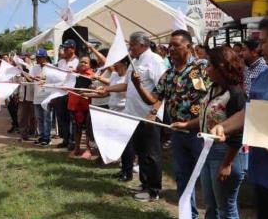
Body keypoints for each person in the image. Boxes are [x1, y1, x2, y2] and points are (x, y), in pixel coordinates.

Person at [130, 30, 209, 217]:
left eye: (176, 45)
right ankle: (188, 214)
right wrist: (138, 86)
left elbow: (205, 97)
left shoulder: (198, 70)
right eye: (170, 45)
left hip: (198, 132)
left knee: (205, 179)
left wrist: (193, 122)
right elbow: (153, 99)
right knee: (182, 177)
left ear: (188, 47)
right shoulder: (169, 74)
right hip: (177, 133)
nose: (171, 49)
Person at [172, 46, 248, 219]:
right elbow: (206, 118)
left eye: (209, 66)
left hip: (227, 153)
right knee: (210, 206)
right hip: (207, 151)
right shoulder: (213, 88)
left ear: (221, 66)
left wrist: (227, 164)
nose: (206, 70)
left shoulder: (236, 94)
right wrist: (185, 125)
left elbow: (239, 132)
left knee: (225, 208)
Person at [211, 17, 268, 219]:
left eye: (263, 42)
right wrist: (224, 126)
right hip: (263, 174)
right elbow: (250, 112)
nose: (261, 49)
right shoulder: (264, 77)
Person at [100, 31, 167, 201]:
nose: (130, 49)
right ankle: (145, 184)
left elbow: (163, 90)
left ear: (143, 45)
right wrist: (107, 89)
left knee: (152, 154)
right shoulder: (134, 62)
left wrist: (154, 112)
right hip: (133, 115)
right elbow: (125, 86)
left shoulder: (155, 61)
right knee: (141, 152)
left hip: (149, 116)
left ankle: (153, 190)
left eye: (132, 45)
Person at [68, 56, 94, 157]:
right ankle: (77, 148)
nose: (82, 64)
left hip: (87, 106)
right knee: (76, 128)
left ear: (90, 65)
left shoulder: (93, 76)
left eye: (85, 63)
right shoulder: (73, 74)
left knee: (88, 129)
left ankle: (88, 149)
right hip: (74, 105)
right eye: (81, 62)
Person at [55, 39, 79, 149]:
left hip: (71, 93)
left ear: (72, 49)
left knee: (71, 119)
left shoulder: (78, 62)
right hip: (60, 92)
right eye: (63, 48)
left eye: (66, 48)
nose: (64, 50)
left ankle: (72, 141)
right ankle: (65, 139)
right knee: (61, 117)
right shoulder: (61, 62)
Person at [33, 48, 52, 146]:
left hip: (46, 96)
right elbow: (31, 78)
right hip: (37, 96)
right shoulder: (35, 67)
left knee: (46, 117)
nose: (37, 59)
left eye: (39, 57)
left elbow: (53, 81)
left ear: (44, 57)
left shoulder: (51, 67)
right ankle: (41, 136)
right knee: (39, 118)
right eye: (36, 57)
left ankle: (47, 137)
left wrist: (44, 79)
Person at [18, 54, 36, 140]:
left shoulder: (34, 68)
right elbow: (17, 84)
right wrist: (16, 94)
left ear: (29, 59)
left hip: (32, 97)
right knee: (22, 117)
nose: (23, 61)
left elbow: (31, 80)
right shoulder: (19, 71)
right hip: (22, 97)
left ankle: (34, 132)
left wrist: (24, 73)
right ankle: (23, 134)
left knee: (33, 116)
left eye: (24, 59)